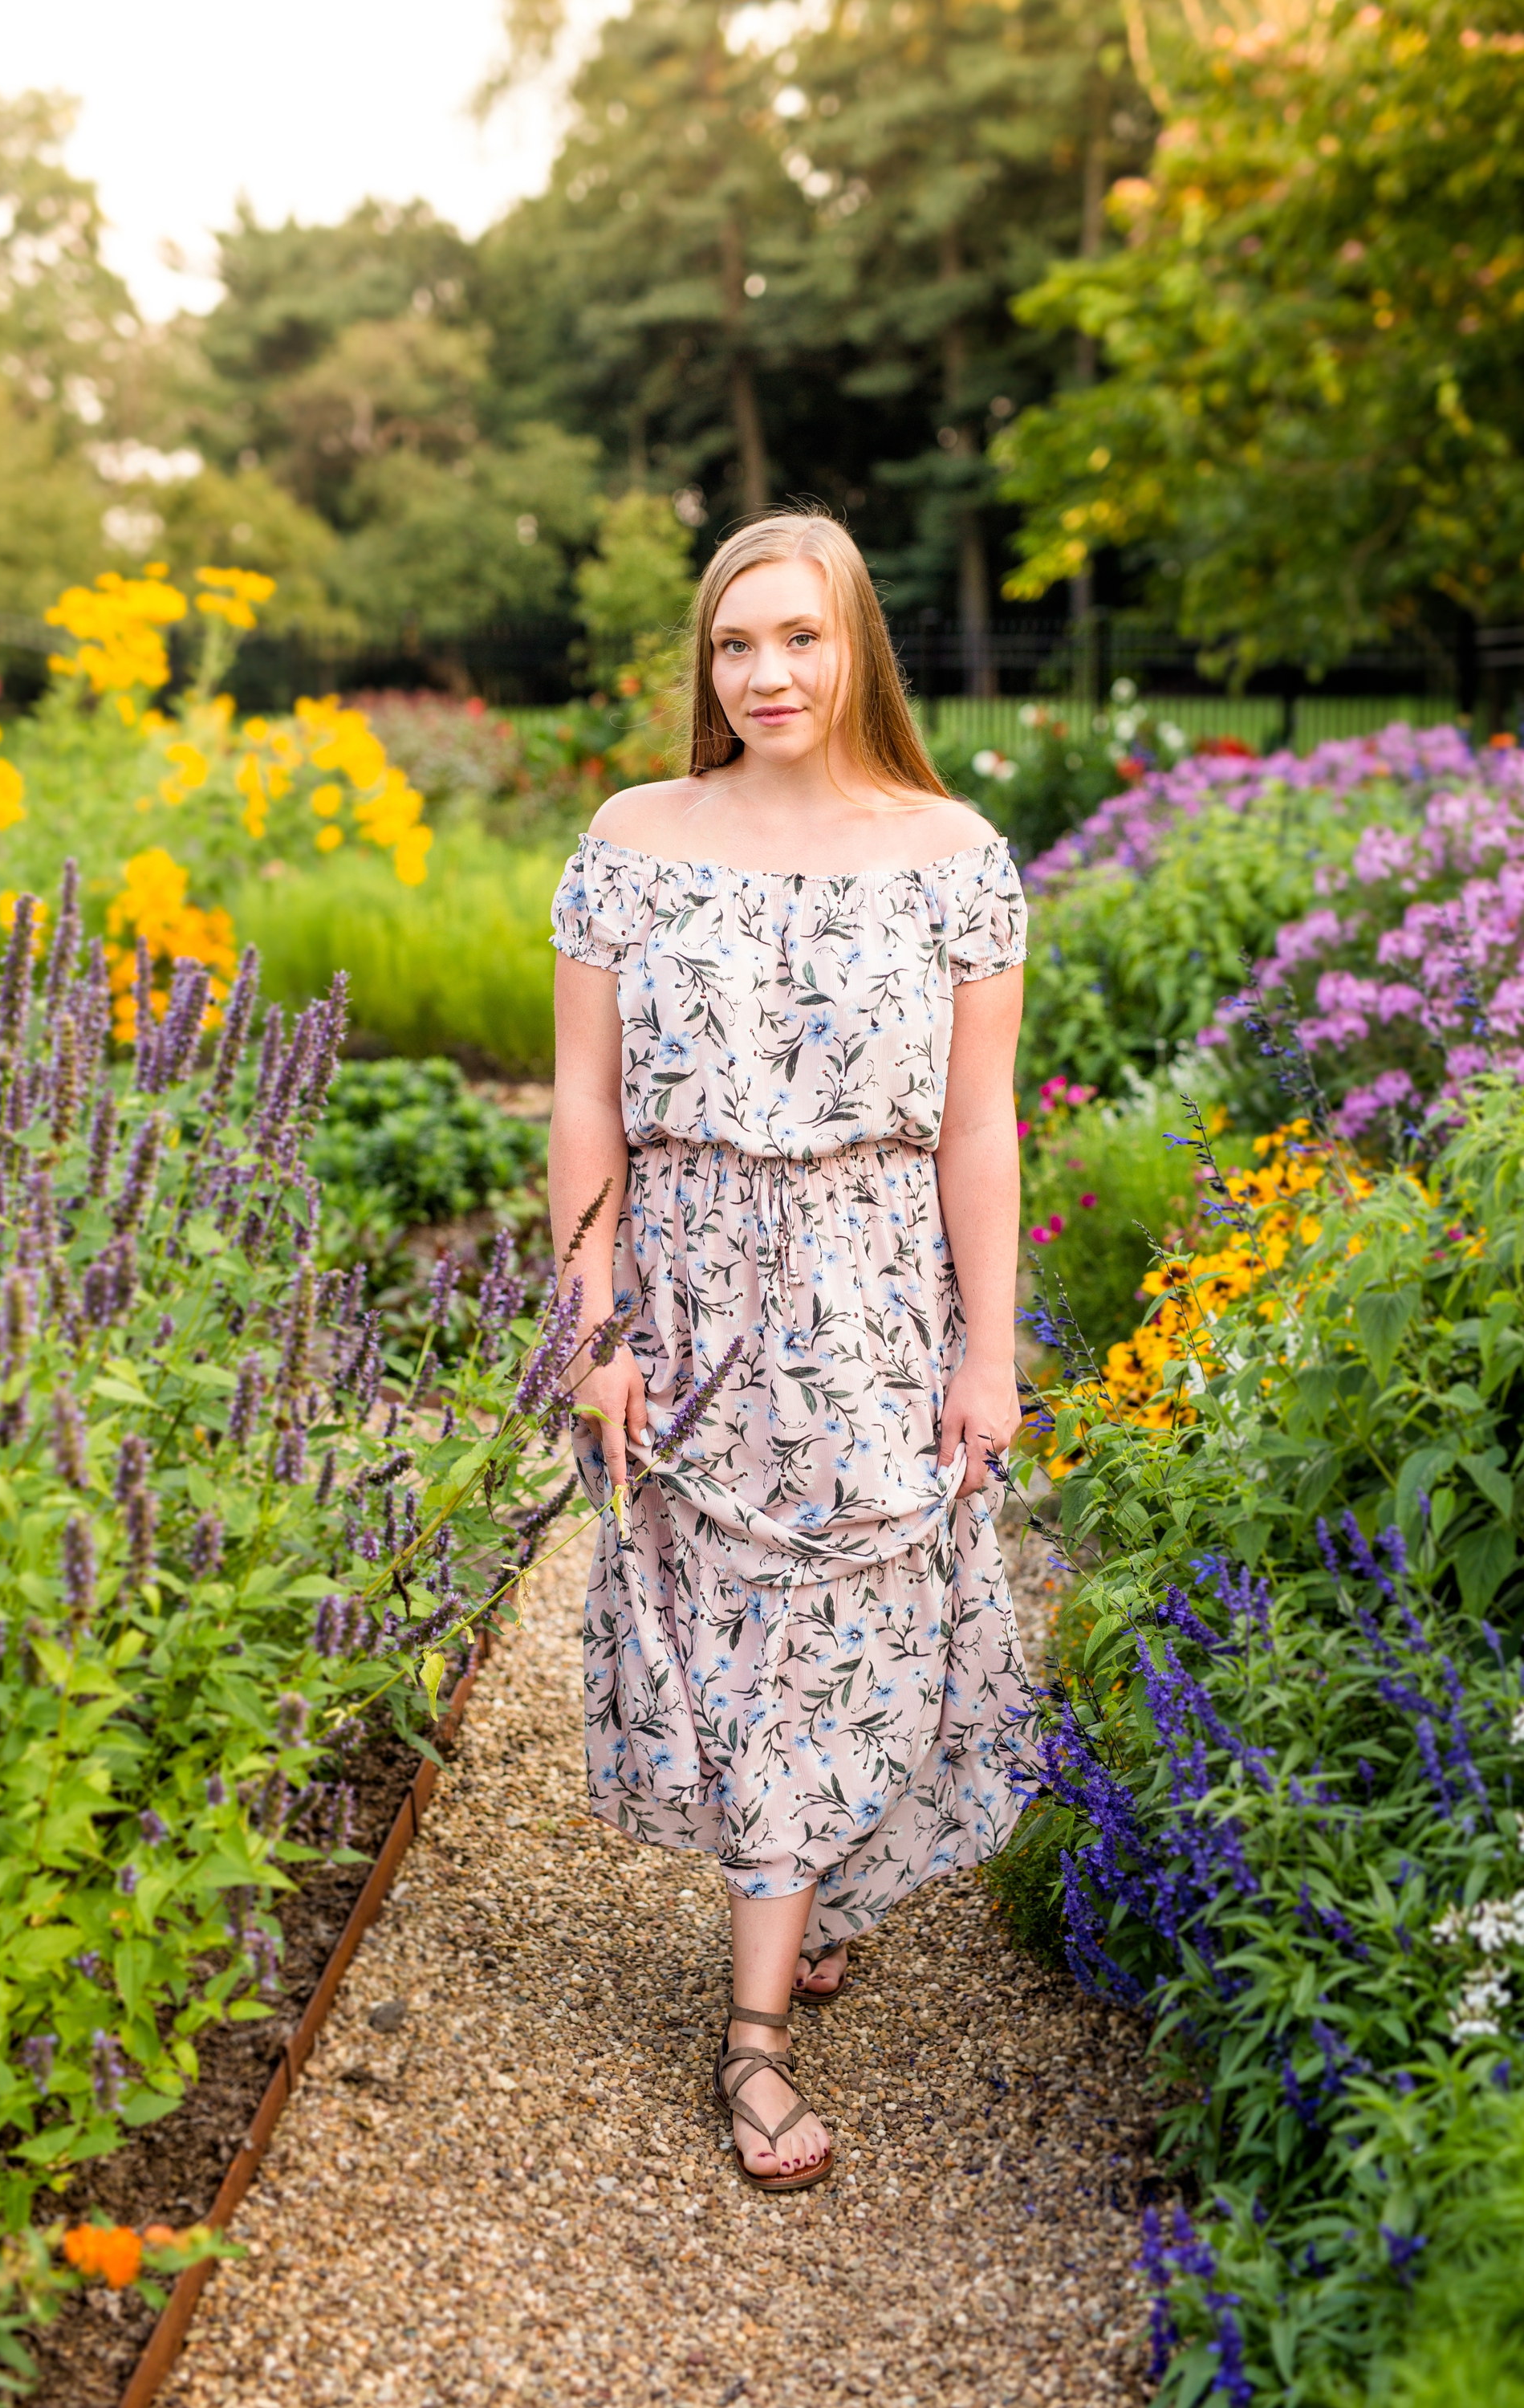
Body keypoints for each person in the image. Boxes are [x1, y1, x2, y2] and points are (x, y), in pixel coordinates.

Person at [548, 508, 1029, 2194]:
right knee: (738, 1629)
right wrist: (590, 1324)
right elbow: (585, 1103)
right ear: (706, 662)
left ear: (857, 650)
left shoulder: (953, 852)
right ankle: (758, 2018)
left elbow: (981, 1128)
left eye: (799, 639)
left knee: (855, 1619)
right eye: (735, 644)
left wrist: (988, 1349)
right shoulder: (631, 837)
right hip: (683, 1301)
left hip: (871, 1296)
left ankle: (784, 1916)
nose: (765, 673)